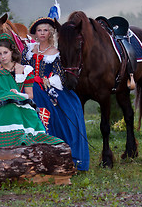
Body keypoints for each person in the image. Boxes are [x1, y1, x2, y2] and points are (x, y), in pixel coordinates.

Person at [21, 17, 90, 171]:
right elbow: (22, 68)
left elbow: (59, 76)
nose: (42, 33)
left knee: (70, 109)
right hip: (27, 86)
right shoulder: (28, 50)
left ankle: (61, 154)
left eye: (45, 30)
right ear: (36, 34)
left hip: (47, 87)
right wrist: (29, 79)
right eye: (39, 30)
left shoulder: (56, 53)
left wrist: (47, 81)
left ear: (50, 33)